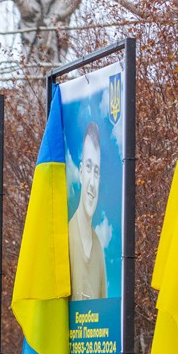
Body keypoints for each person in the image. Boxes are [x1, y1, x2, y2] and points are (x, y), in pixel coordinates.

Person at [68, 123, 107, 300]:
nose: (92, 182)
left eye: (97, 172)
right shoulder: (65, 237)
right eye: (89, 168)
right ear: (81, 171)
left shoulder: (98, 249)